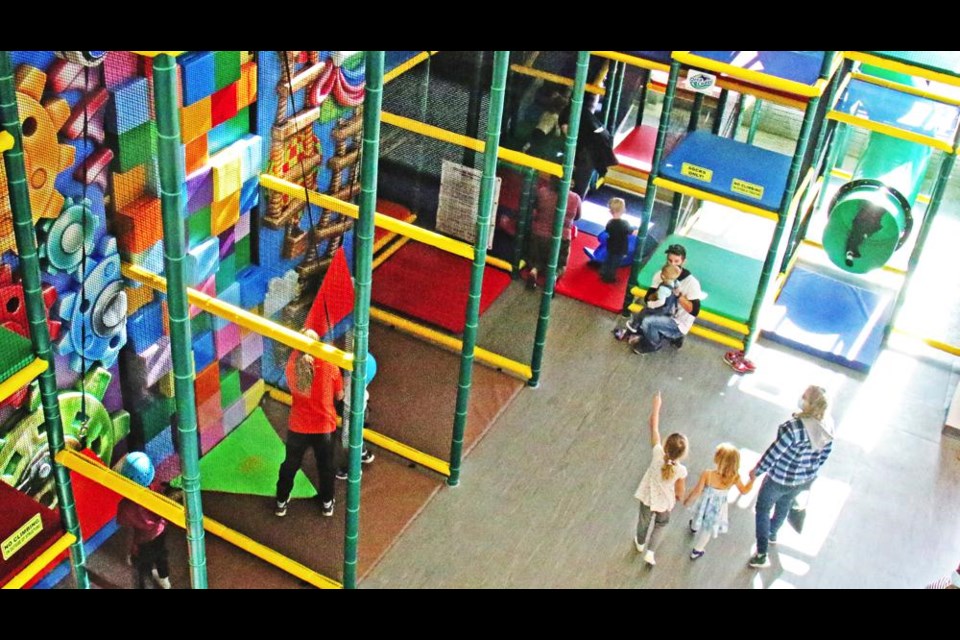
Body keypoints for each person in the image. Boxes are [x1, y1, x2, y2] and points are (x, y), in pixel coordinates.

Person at [748, 385, 835, 568]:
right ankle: (772, 533)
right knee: (785, 505)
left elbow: (775, 452)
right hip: (802, 480)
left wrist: (757, 470)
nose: (801, 398)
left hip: (778, 478)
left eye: (804, 396)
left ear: (810, 404)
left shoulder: (794, 428)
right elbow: (824, 456)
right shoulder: (827, 426)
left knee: (763, 509)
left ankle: (761, 553)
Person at [276, 328, 344, 518]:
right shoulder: (330, 365)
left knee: (290, 464)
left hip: (298, 426)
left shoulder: (292, 365)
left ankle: (281, 501)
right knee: (326, 466)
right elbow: (340, 394)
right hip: (324, 426)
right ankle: (327, 503)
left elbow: (293, 387)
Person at [634, 391, 688, 567]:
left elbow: (654, 427)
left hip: (648, 497)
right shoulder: (681, 471)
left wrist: (656, 406)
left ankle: (640, 542)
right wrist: (680, 497)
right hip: (665, 502)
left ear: (666, 446)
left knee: (644, 520)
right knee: (661, 524)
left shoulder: (657, 453)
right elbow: (680, 491)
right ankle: (651, 552)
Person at [620, 243, 703, 354]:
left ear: (683, 262)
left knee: (648, 322)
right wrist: (659, 293)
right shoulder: (660, 275)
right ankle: (661, 333)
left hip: (678, 322)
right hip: (664, 311)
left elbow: (694, 311)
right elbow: (648, 299)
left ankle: (652, 345)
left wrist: (678, 295)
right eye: (670, 260)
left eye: (676, 261)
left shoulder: (692, 283)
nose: (672, 264)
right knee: (644, 313)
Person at [683, 443, 754, 560]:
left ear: (718, 460)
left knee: (698, 514)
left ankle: (694, 527)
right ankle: (697, 550)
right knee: (707, 529)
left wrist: (687, 500)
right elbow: (744, 491)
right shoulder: (734, 477)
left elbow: (697, 491)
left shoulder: (708, 474)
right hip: (717, 508)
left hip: (704, 503)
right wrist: (752, 480)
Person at [116, 452, 171, 589]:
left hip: (143, 541)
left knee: (142, 568)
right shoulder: (156, 488)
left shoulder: (128, 506)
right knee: (161, 555)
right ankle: (164, 579)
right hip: (160, 530)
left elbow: (122, 519)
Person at [525, 175, 582, 290]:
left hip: (539, 234)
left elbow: (535, 207)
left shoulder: (542, 192)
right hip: (561, 237)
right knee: (560, 264)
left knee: (537, 259)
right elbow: (577, 217)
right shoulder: (574, 198)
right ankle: (554, 276)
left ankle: (534, 270)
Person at [600, 197, 634, 284]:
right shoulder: (624, 223)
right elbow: (631, 232)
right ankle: (609, 277)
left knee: (608, 259)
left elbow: (607, 230)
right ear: (623, 210)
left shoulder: (610, 222)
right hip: (620, 248)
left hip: (611, 245)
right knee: (615, 263)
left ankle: (603, 272)